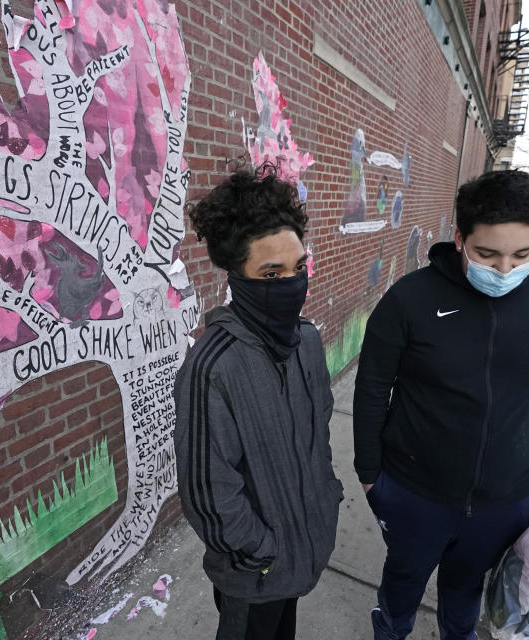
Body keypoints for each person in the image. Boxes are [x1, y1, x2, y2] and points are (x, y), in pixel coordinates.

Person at [353, 170, 529, 640]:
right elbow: (373, 387)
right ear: (459, 238)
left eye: (522, 255)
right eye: (487, 253)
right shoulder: (410, 299)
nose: (504, 270)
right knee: (402, 584)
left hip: (507, 498)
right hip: (414, 491)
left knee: (465, 593)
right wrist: (371, 473)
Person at [174, 163, 343, 640]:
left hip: (301, 546)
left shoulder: (306, 342)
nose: (291, 283)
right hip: (256, 573)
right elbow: (209, 491)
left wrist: (324, 497)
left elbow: (319, 431)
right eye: (272, 272)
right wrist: (260, 553)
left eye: (297, 267)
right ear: (239, 275)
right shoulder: (212, 367)